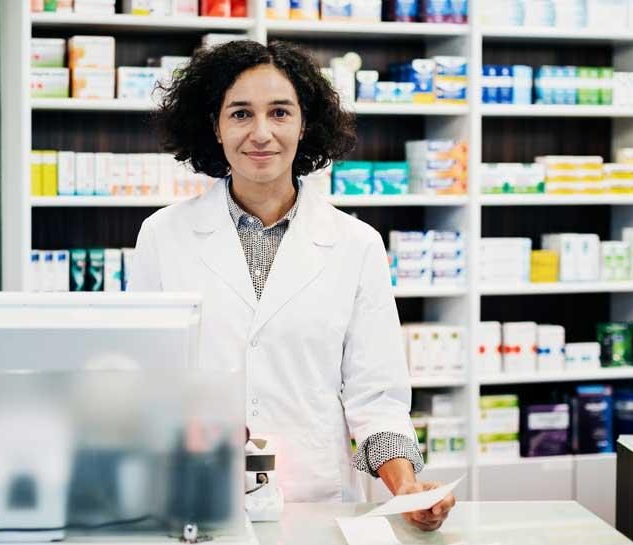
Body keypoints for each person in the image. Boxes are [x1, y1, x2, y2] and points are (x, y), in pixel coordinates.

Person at [128, 39, 455, 531]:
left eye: (280, 112)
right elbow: (147, 382)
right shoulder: (163, 235)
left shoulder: (356, 244)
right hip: (197, 501)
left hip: (318, 502)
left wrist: (403, 486)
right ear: (213, 127)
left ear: (305, 124)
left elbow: (377, 398)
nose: (261, 133)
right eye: (240, 114)